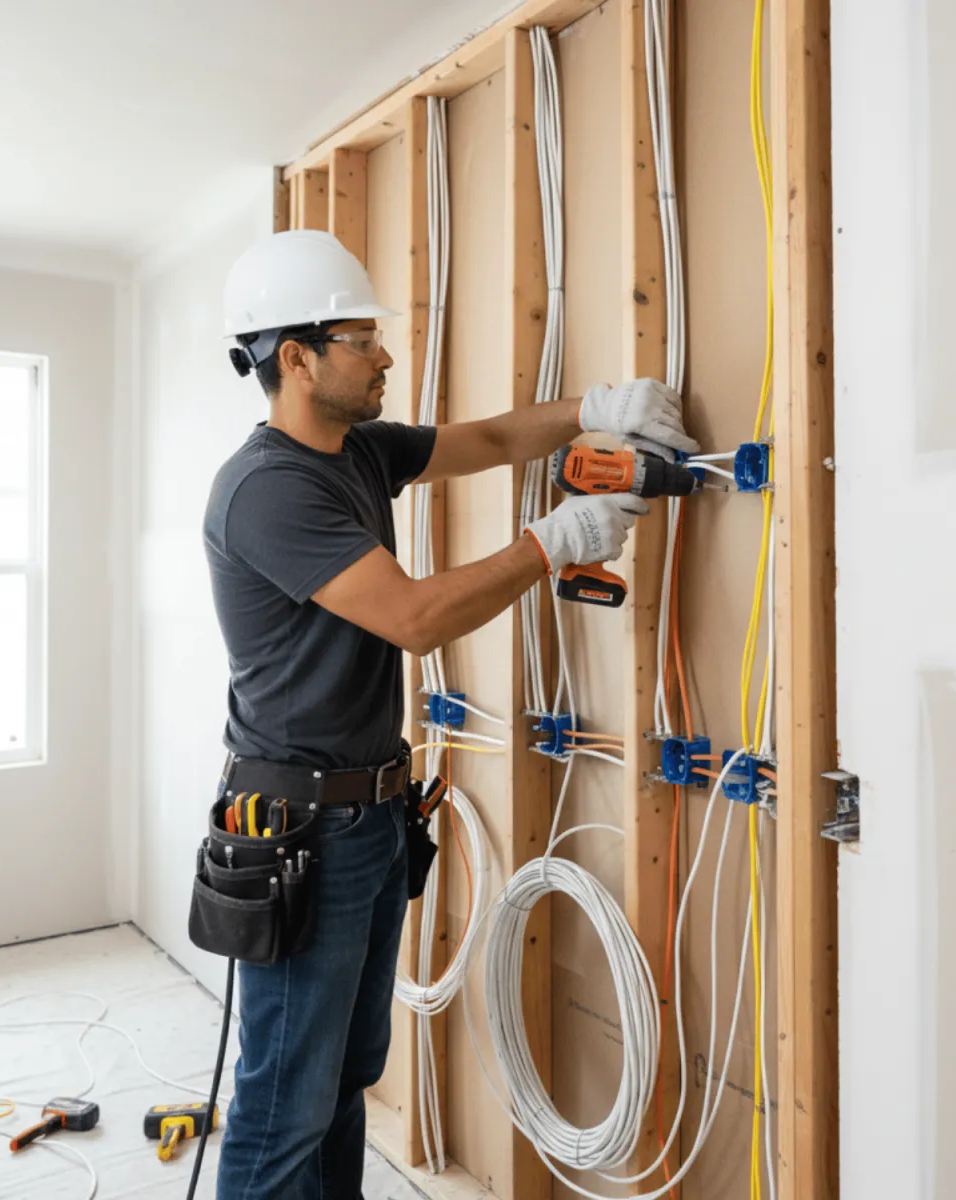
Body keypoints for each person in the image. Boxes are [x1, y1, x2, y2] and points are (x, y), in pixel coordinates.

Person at [203, 229, 697, 1199]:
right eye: (361, 337)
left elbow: (496, 439)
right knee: (282, 1107)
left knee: (341, 1080)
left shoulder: (355, 452)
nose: (385, 354)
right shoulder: (266, 489)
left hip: (369, 818)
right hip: (301, 830)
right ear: (295, 357)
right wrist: (550, 542)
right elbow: (417, 618)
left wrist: (595, 409)